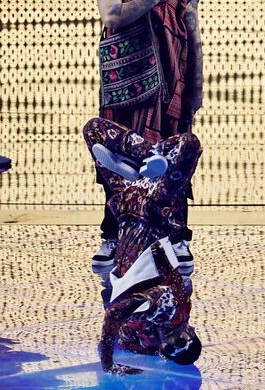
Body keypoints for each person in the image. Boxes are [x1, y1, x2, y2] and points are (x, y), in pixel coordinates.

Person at [93, 0, 203, 269]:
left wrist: (196, 90)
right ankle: (112, 236)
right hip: (123, 89)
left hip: (170, 88)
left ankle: (177, 236)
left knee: (172, 158)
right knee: (116, 162)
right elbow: (112, 17)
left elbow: (194, 37)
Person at [83, 117, 202, 374]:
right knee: (189, 144)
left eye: (178, 343)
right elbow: (116, 313)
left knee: (93, 130)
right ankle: (148, 159)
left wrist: (111, 363)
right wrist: (109, 362)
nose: (181, 336)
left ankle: (144, 163)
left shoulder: (156, 327)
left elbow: (115, 314)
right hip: (144, 210)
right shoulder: (168, 318)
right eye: (185, 338)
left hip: (137, 208)